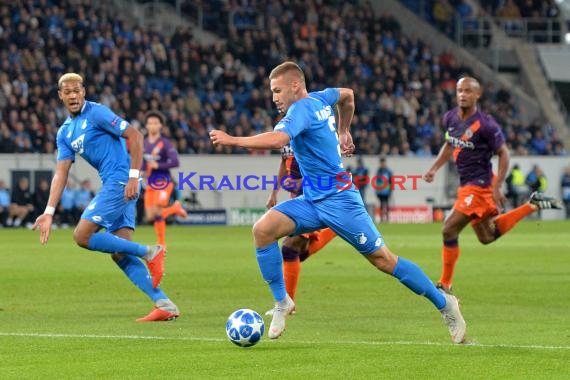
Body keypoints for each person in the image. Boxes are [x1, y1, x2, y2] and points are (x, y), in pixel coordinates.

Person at [210, 61, 467, 344]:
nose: (274, 97)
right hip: (312, 198)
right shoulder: (322, 97)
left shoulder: (301, 109)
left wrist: (232, 139)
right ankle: (283, 301)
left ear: (295, 85)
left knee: (384, 260)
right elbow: (348, 95)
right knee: (262, 230)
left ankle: (445, 304)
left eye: (277, 90)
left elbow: (279, 139)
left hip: (340, 200)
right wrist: (344, 129)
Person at [32, 73, 179, 322]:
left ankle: (150, 252)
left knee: (81, 235)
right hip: (117, 185)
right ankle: (164, 304)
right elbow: (61, 172)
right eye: (67, 92)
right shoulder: (65, 133)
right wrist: (48, 212)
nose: (73, 95)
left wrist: (134, 176)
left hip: (121, 182)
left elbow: (135, 136)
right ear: (60, 96)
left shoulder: (97, 113)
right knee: (120, 252)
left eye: (76, 90)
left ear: (84, 91)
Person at [423, 76, 562, 293]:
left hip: (479, 185)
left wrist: (497, 186)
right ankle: (532, 205)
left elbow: (504, 153)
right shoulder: (450, 118)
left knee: (449, 229)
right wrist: (434, 168)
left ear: (477, 95)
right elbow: (449, 145)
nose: (463, 94)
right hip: (467, 184)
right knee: (487, 237)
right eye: (460, 90)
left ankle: (445, 284)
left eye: (468, 91)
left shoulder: (486, 125)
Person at [265, 143, 337, 315]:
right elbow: (284, 162)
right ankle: (332, 230)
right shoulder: (284, 132)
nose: (279, 113)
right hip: (298, 198)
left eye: (282, 112)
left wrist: (299, 182)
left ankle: (287, 305)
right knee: (296, 253)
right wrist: (274, 192)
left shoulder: (307, 127)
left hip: (315, 198)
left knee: (289, 249)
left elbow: (324, 169)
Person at [142, 110, 188, 247]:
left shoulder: (165, 143)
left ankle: (161, 243)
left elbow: (175, 162)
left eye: (156, 123)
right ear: (146, 126)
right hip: (150, 182)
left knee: (157, 211)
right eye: (150, 123)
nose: (153, 126)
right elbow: (143, 162)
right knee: (150, 217)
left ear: (161, 126)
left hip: (163, 181)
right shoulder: (143, 143)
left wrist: (158, 165)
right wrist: (142, 171)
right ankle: (175, 208)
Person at [375, 157, 393, 223]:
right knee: (381, 205)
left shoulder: (388, 171)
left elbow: (391, 182)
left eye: (383, 162)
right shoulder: (379, 171)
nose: (382, 164)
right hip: (380, 192)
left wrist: (391, 190)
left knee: (387, 205)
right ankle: (382, 218)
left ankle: (387, 218)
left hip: (387, 191)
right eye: (381, 162)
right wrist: (376, 191)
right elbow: (377, 182)